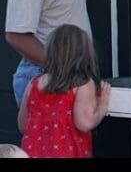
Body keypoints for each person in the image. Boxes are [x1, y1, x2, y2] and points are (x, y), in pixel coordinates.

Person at [18, 24, 111, 158]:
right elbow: (85, 123)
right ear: (84, 54)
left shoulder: (34, 83)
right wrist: (102, 105)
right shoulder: (82, 84)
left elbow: (23, 125)